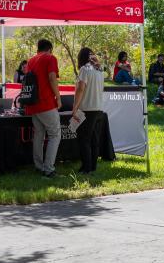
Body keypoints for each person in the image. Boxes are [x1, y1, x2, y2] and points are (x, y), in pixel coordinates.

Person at [25, 39, 62, 178]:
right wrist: (58, 98)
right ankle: (49, 169)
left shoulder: (31, 60)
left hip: (33, 103)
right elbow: (52, 77)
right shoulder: (50, 58)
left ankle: (39, 166)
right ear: (50, 48)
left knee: (39, 135)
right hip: (46, 102)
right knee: (55, 135)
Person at [71, 47, 105, 174]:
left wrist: (74, 108)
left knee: (84, 140)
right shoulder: (100, 70)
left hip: (86, 109)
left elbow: (80, 89)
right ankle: (92, 167)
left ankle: (86, 168)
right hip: (99, 109)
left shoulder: (84, 69)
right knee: (94, 140)